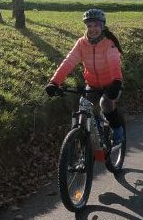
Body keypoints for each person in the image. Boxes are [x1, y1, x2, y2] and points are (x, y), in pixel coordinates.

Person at [44, 8, 125, 145]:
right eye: (89, 26)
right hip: (92, 84)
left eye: (96, 25)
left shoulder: (108, 43)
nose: (93, 29)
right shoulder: (82, 43)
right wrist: (54, 82)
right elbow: (68, 62)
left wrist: (116, 82)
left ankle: (117, 129)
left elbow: (114, 63)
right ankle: (86, 144)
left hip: (111, 85)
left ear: (102, 25)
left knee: (105, 103)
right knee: (83, 109)